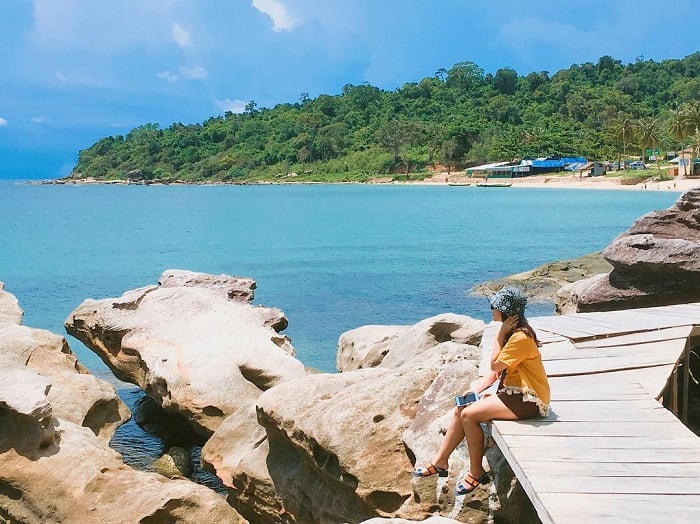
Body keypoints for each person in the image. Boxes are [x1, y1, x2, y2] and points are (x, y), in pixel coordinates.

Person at [411, 286, 550, 495]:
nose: (492, 309)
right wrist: (476, 389)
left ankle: (476, 472)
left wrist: (499, 335)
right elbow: (497, 373)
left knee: (469, 415)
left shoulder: (519, 338)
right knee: (461, 408)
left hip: (528, 399)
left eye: (495, 306)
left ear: (505, 310)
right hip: (513, 393)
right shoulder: (512, 334)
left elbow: (495, 365)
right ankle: (440, 461)